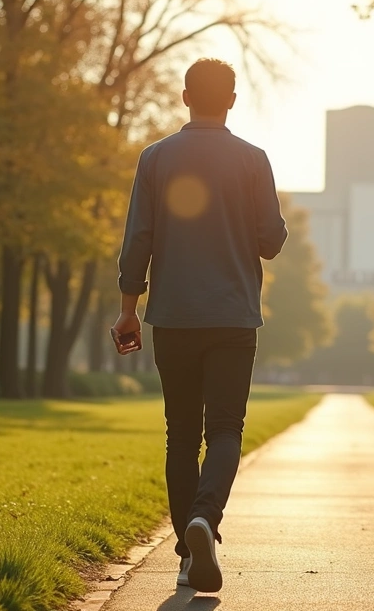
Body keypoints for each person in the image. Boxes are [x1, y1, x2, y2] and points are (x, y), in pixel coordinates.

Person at [111, 58, 288, 594]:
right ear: (231, 100)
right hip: (234, 318)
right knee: (226, 431)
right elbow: (272, 240)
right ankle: (205, 520)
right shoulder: (253, 160)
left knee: (181, 436)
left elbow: (139, 237)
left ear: (186, 97)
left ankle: (189, 555)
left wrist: (127, 308)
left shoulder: (155, 158)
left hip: (174, 317)